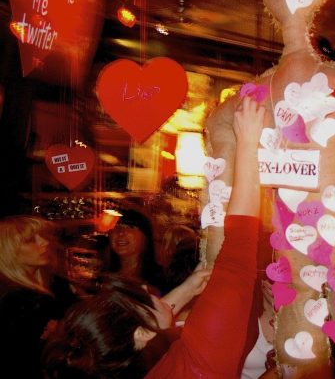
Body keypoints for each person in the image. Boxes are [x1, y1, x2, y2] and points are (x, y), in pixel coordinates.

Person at [44, 96, 265, 378]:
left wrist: (188, 289)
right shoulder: (198, 364)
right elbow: (240, 242)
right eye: (142, 300)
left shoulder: (132, 360)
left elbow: (148, 322)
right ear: (143, 334)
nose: (149, 293)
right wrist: (248, 142)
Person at [0, 215, 77, 378]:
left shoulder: (56, 282)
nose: (45, 242)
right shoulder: (10, 300)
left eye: (42, 236)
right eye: (30, 240)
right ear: (8, 250)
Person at [107, 207, 164, 293]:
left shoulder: (160, 280)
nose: (120, 232)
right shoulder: (103, 276)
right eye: (116, 226)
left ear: (145, 237)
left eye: (130, 227)